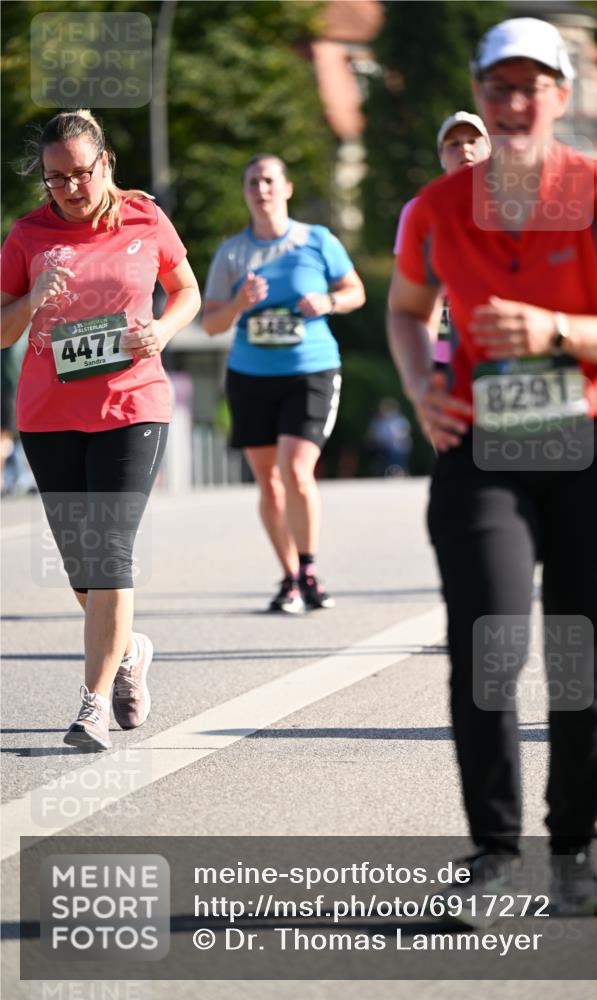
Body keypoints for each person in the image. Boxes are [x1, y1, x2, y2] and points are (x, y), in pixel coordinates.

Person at [388, 17, 597, 917]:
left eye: (528, 87)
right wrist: (417, 389)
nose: (510, 104)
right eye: (496, 87)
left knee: (580, 657)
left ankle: (575, 852)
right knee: (488, 647)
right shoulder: (436, 208)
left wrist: (559, 332)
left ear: (559, 94)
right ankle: (492, 851)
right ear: (478, 93)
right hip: (485, 452)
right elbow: (404, 309)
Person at [0, 109, 200, 750]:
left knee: (110, 552)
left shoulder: (145, 217)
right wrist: (32, 300)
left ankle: (91, 705)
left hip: (133, 406)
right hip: (50, 417)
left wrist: (162, 331)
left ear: (105, 164)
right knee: (83, 572)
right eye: (55, 179)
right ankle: (132, 647)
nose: (70, 189)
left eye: (80, 174)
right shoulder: (27, 235)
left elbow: (186, 289)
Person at [203, 154, 365, 613]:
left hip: (310, 371)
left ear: (287, 187)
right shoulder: (232, 253)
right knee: (269, 485)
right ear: (245, 191)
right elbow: (212, 323)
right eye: (253, 181)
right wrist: (237, 304)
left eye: (269, 180)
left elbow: (358, 292)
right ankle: (290, 576)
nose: (262, 189)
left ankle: (309, 570)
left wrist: (329, 300)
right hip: (251, 377)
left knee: (296, 470)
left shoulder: (318, 240)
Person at [390, 111, 491, 370]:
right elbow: (408, 291)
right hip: (445, 328)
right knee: (449, 398)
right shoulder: (419, 209)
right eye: (454, 144)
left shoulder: (512, 204)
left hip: (498, 324)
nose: (465, 149)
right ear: (441, 158)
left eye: (473, 141)